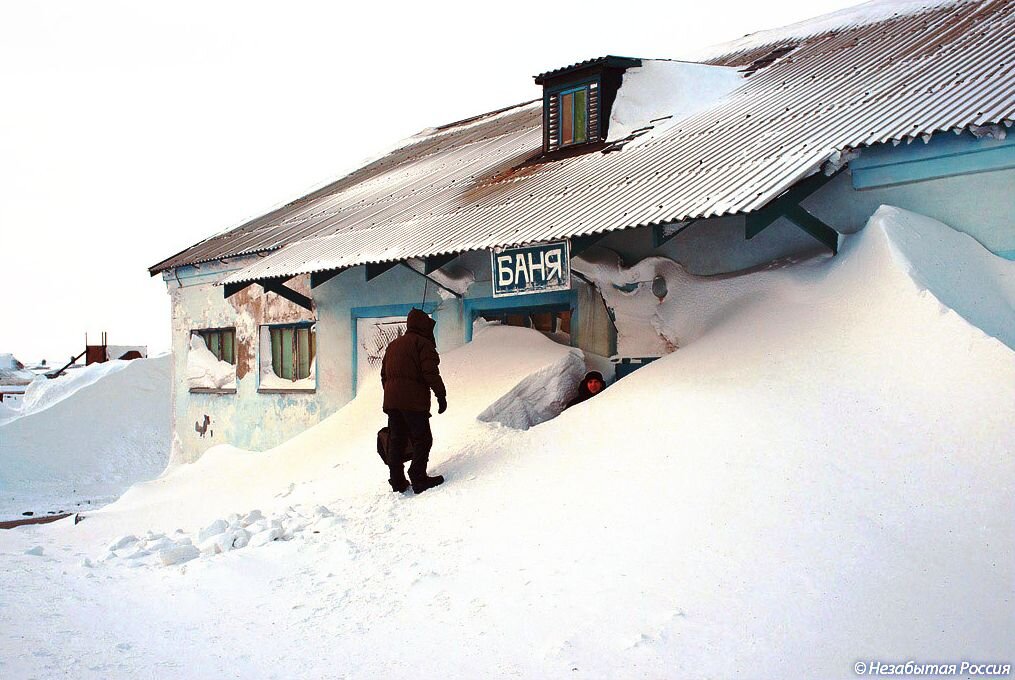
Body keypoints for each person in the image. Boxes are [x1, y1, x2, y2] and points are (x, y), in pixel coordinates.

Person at [380, 308, 448, 494]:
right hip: (413, 402)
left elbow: (384, 374)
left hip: (392, 402)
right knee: (423, 439)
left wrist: (392, 394)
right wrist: (441, 395)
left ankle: (397, 481)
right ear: (424, 325)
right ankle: (418, 477)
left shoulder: (393, 345)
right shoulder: (423, 344)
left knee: (397, 440)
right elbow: (430, 373)